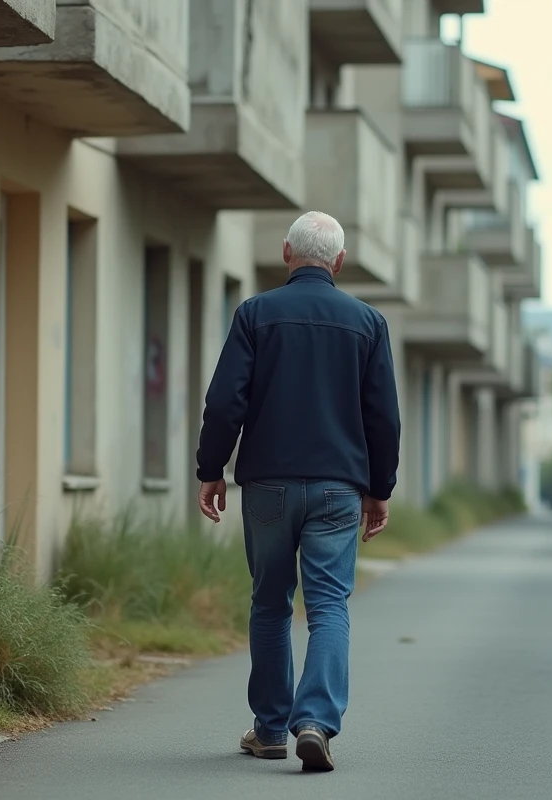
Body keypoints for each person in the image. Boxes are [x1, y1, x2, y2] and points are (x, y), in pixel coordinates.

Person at [195, 210, 401, 773]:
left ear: (287, 252)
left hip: (267, 487)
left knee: (270, 603)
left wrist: (210, 468)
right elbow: (383, 416)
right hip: (339, 490)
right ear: (338, 261)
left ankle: (269, 730)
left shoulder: (255, 315)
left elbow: (224, 401)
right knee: (329, 604)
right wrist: (379, 488)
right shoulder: (367, 322)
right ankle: (314, 722)